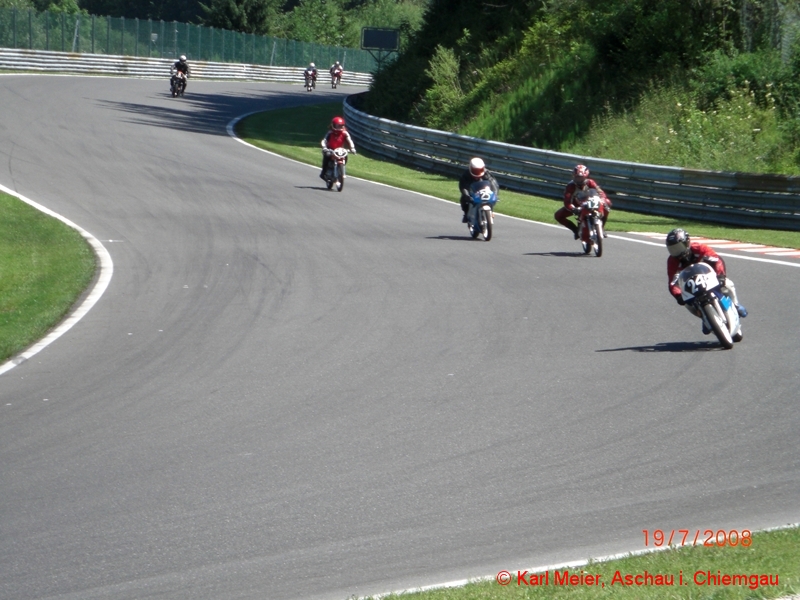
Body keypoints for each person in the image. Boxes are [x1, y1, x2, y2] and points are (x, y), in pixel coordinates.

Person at [666, 228, 748, 334]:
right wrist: (678, 296)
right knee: (687, 303)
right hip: (692, 286)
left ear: (687, 243)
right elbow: (672, 282)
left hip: (710, 277)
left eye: (678, 248)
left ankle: (735, 304)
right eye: (672, 249)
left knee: (728, 284)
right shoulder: (672, 261)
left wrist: (721, 276)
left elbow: (717, 260)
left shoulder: (700, 248)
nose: (676, 252)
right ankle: (705, 316)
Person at [555, 164, 611, 239]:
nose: (579, 179)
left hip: (591, 202)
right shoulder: (570, 186)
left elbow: (600, 192)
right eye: (577, 177)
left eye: (581, 178)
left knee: (607, 203)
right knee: (558, 215)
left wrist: (603, 200)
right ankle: (575, 230)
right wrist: (572, 208)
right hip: (577, 205)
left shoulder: (591, 182)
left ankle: (601, 228)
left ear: (586, 177)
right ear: (574, 176)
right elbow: (567, 201)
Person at [459, 158, 499, 223]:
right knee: (463, 199)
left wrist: (495, 194)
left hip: (484, 190)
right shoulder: (466, 175)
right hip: (471, 190)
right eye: (475, 171)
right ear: (470, 168)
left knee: (491, 197)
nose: (478, 173)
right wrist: (466, 195)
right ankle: (466, 214)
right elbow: (463, 186)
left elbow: (493, 184)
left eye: (480, 170)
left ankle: (490, 211)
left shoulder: (487, 173)